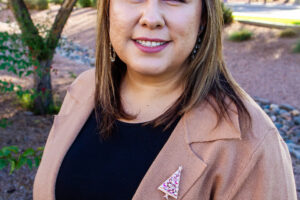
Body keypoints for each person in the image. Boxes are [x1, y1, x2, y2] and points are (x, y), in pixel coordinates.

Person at [33, 0, 297, 199]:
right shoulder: (84, 90)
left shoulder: (250, 143)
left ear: (203, 15)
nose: (151, 18)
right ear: (108, 8)